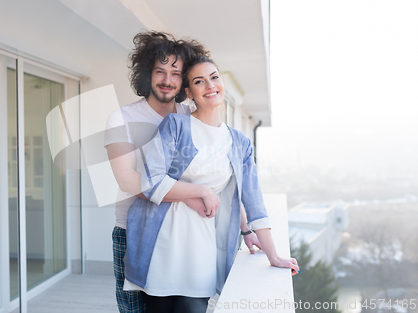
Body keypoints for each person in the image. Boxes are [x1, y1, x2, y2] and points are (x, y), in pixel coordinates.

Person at [124, 55, 300, 313]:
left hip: (202, 246)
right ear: (189, 92)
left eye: (214, 77)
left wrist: (270, 252)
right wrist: (200, 191)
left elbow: (251, 198)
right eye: (199, 81)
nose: (210, 85)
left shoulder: (239, 142)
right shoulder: (175, 125)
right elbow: (151, 180)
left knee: (193, 308)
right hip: (161, 243)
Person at [104, 31, 264, 313]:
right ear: (146, 74)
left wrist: (246, 228)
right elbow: (128, 181)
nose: (167, 80)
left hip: (184, 234)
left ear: (184, 83)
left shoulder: (190, 117)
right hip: (132, 231)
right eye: (160, 71)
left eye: (176, 73)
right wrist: (191, 194)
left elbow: (224, 179)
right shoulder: (122, 118)